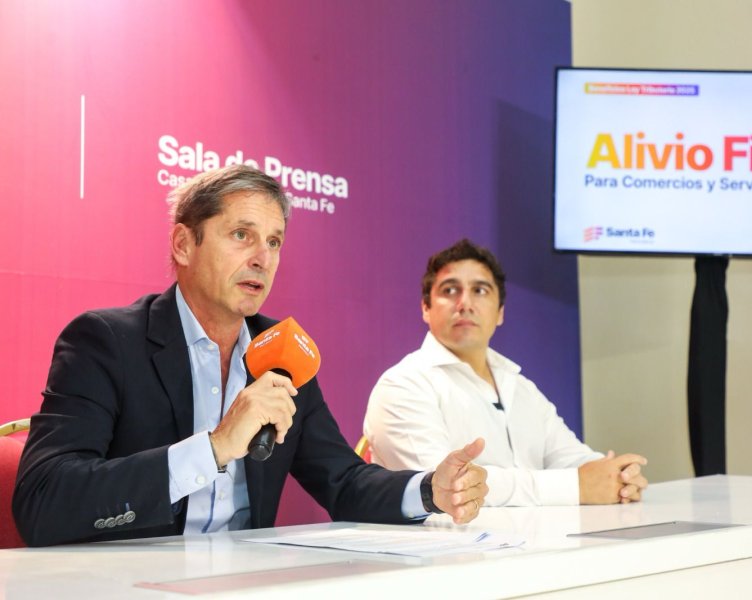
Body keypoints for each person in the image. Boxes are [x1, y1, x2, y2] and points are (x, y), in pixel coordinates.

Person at [13, 166, 487, 547]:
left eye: (274, 240)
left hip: (245, 585)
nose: (263, 257)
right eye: (242, 234)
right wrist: (215, 447)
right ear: (184, 244)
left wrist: (428, 491)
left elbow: (343, 481)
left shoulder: (284, 354)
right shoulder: (106, 341)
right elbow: (43, 502)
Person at [364, 239, 647, 507]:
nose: (465, 303)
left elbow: (571, 457)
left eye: (480, 290)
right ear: (426, 308)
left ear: (500, 312)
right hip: (441, 553)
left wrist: (619, 477)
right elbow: (445, 487)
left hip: (532, 546)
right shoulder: (403, 385)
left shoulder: (519, 385)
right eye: (450, 290)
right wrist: (575, 486)